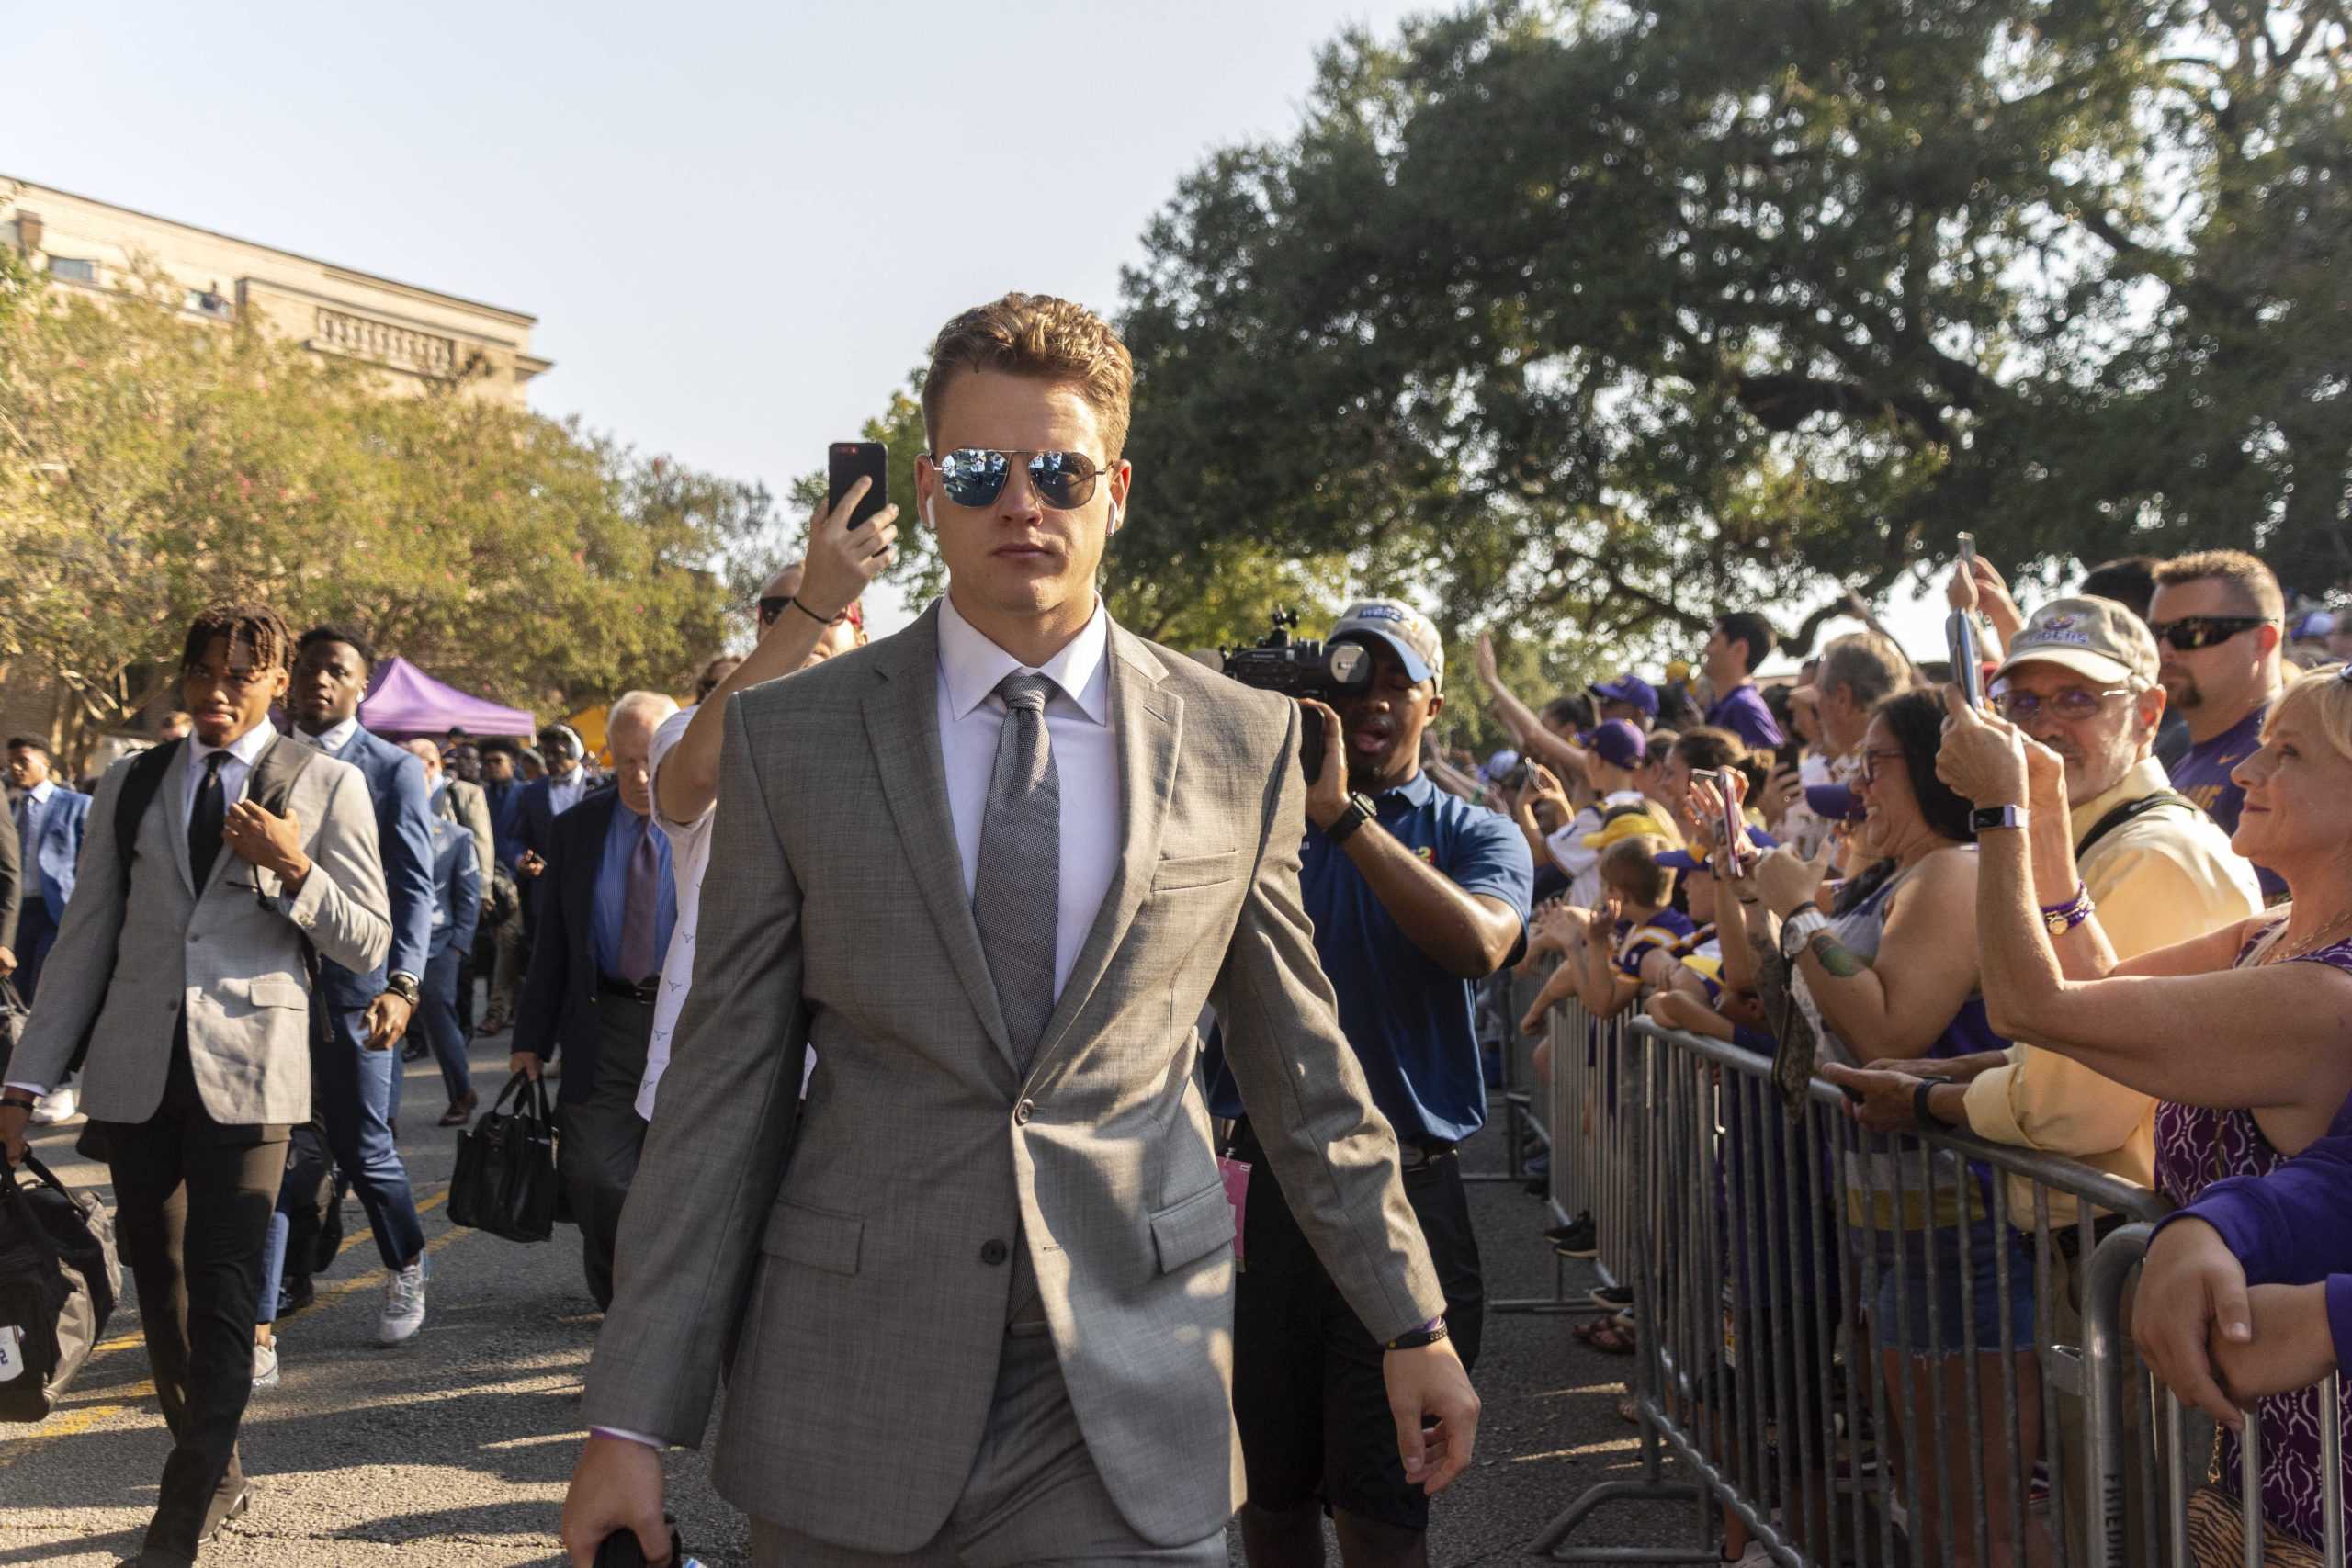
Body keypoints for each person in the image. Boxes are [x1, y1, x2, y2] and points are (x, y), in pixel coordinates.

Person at [559, 293, 1477, 1568]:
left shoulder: (1237, 743)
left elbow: (1306, 1077)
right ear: (930, 490)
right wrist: (627, 1413)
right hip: (850, 1389)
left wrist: (1409, 1319)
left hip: (1128, 1380)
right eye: (982, 471)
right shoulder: (796, 738)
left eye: (1060, 469)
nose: (1022, 503)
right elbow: (724, 1088)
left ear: (1117, 488)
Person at [1821, 598, 2262, 1564]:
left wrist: (1936, 1097)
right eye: (2020, 699)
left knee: (2133, 1525)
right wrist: (1969, 1066)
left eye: (2076, 698)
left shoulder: (2150, 851)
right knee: (2095, 1513)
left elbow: (2083, 1093)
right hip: (2094, 1250)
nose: (2042, 723)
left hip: (2136, 1246)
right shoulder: (2085, 836)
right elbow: (2067, 1041)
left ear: (2147, 713)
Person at [0, 604, 390, 1567]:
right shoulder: (130, 786)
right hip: (136, 1074)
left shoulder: (327, 782)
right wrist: (22, 1083)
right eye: (202, 672)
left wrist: (294, 866)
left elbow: (368, 941)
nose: (217, 691)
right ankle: (215, 1467)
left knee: (223, 1289)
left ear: (274, 682)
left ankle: (178, 1519)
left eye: (240, 675)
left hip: (254, 1072)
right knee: (164, 1292)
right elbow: (87, 940)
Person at [1936, 661, 2352, 1556]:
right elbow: (2084, 995)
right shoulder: (2271, 934)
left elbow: (2029, 1007)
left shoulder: (2322, 998)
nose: (2244, 772)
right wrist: (2044, 815)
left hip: (2324, 1477)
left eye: (2287, 754)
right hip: (2261, 1447)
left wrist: (1998, 814)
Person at [1200, 599, 1529, 1568]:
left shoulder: (1475, 831)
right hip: (1265, 1191)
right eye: (1352, 678)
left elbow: (1479, 944)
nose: (1374, 700)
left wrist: (1341, 818)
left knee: (1385, 1511)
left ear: (1434, 699)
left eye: (1396, 681)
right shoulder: (1246, 818)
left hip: (1410, 1200)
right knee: (1267, 1494)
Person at [1722, 689, 2042, 1568]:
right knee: (1931, 1506)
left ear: (1935, 769)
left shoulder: (1958, 869)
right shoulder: (1893, 874)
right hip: (1895, 1232)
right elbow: (1751, 990)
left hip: (1962, 1234)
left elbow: (1889, 1031)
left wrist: (1802, 913)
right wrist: (1739, 881)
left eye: (1875, 763)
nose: (1858, 782)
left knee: (1976, 1515)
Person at [636, 528, 888, 1122]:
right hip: (718, 1083)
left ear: (863, 635)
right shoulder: (691, 729)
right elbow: (691, 778)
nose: (802, 617)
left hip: (859, 1090)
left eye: (835, 606)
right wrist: (813, 607)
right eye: (774, 611)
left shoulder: (901, 743)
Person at [255, 626, 437, 1354]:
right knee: (269, 1149)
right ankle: (260, 1324)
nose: (320, 681)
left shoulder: (391, 769)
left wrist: (404, 983)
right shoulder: (261, 758)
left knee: (365, 1150)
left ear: (362, 686)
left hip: (359, 990)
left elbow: (414, 888)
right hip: (268, 982)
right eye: (309, 667)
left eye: (338, 671)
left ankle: (406, 1262)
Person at [509, 691, 681, 1309]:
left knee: (677, 1176)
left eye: (653, 758)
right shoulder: (577, 828)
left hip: (690, 1025)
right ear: (608, 756)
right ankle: (620, 1292)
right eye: (627, 760)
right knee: (593, 1172)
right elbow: (552, 940)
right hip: (602, 1022)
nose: (640, 776)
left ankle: (666, 1301)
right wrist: (529, 1037)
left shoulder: (722, 819)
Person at [2149, 549, 2288, 897]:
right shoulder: (2182, 762)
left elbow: (2285, 920)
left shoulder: (2288, 758)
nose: (2165, 649)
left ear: (2262, 641)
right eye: (2156, 633)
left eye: (2191, 632)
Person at [405, 737, 495, 1044]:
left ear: (431, 764)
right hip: (421, 896)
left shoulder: (464, 793)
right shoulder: (403, 790)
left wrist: (483, 889)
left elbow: (482, 840)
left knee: (461, 970)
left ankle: (462, 1027)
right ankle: (422, 1039)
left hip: (457, 886)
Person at [6, 736, 90, 1008]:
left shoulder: (76, 804)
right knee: (12, 991)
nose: (15, 769)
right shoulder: (9, 807)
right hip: (16, 913)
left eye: (23, 761)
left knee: (43, 990)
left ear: (45, 761)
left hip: (55, 911)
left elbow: (90, 863)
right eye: (11, 763)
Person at [1701, 611, 1786, 750]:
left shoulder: (1744, 708)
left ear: (1740, 649)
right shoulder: (1730, 705)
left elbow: (1775, 764)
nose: (1706, 649)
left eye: (1713, 641)